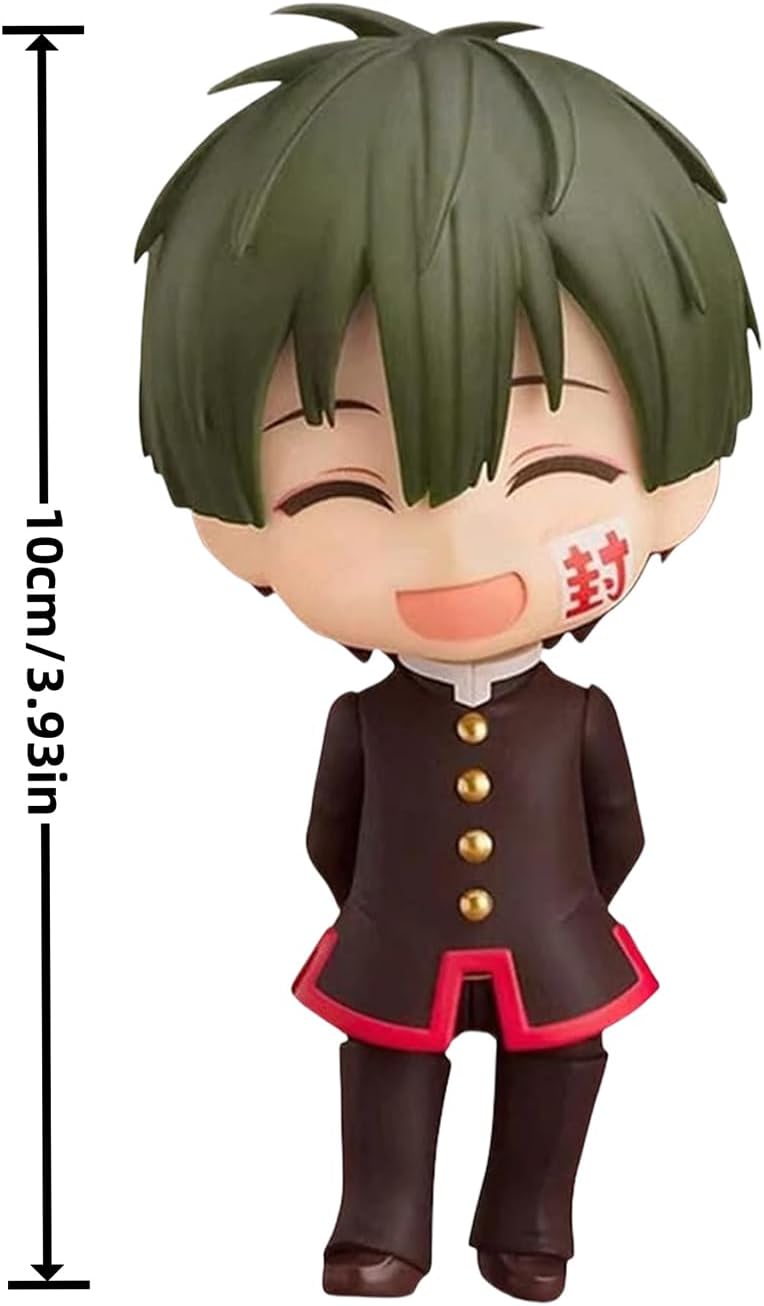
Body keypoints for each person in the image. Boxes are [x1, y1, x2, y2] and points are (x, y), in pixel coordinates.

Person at [134, 6, 756, 1299]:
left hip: (553, 945)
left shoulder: (579, 712)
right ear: (231, 522)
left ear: (681, 482)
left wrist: (566, 909)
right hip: (396, 948)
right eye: (348, 490)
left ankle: (530, 1227)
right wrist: (381, 906)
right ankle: (383, 1228)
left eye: (556, 465)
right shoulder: (365, 720)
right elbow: (331, 836)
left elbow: (621, 833)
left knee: (563, 1065)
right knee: (385, 1070)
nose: (463, 542)